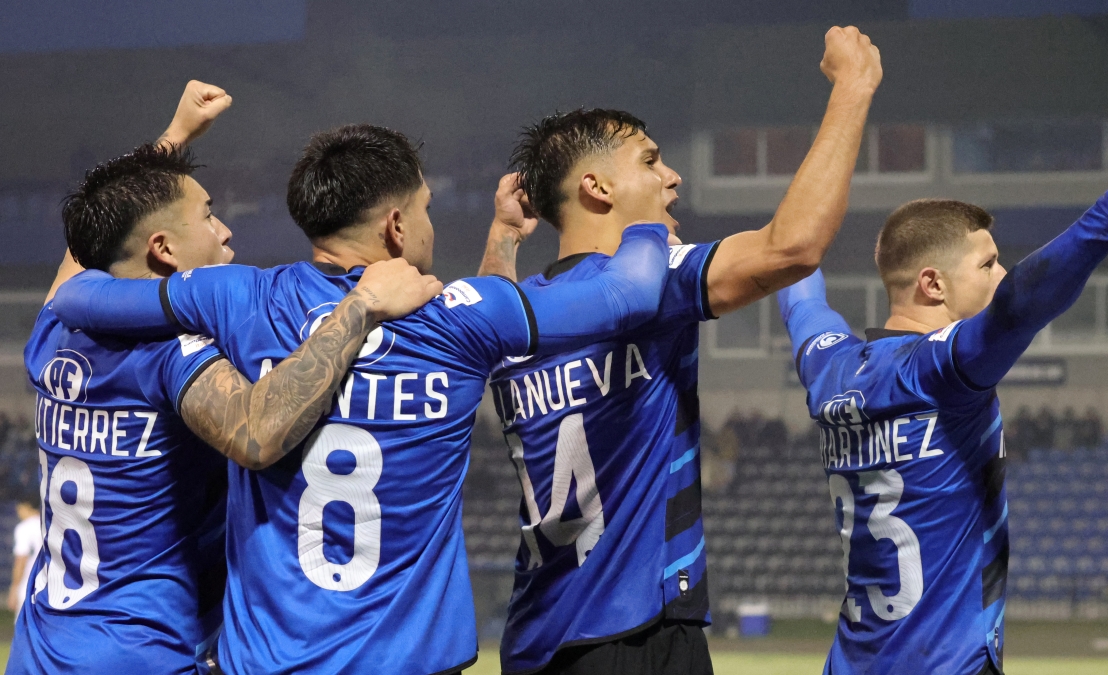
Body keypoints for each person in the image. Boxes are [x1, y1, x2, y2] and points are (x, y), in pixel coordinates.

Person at [51, 123, 676, 674]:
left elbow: (76, 297)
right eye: (425, 208)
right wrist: (643, 212)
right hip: (411, 661)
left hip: (269, 661)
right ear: (397, 226)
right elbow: (631, 294)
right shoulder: (457, 315)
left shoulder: (237, 297)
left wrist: (504, 239)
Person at [477, 25, 881, 674]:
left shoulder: (519, 314)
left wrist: (503, 237)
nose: (671, 176)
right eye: (648, 160)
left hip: (535, 639)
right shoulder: (648, 276)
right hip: (637, 634)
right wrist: (854, 89)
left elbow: (491, 306)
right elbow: (791, 247)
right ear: (598, 188)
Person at [10, 84, 439, 675]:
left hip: (40, 647)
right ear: (163, 249)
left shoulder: (52, 332)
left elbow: (94, 243)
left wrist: (174, 138)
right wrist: (361, 305)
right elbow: (257, 434)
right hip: (144, 654)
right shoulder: (170, 354)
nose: (225, 232)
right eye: (209, 216)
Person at [777, 146, 1108, 674]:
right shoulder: (940, 370)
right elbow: (1019, 306)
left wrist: (792, 222)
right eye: (987, 263)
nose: (1000, 273)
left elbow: (798, 287)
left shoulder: (827, 366)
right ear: (933, 283)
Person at [7, 494, 41, 620]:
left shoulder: (24, 528)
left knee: (24, 629)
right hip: (51, 583)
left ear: (26, 507)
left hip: (29, 582)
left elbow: (21, 559)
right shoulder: (50, 524)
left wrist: (14, 588)